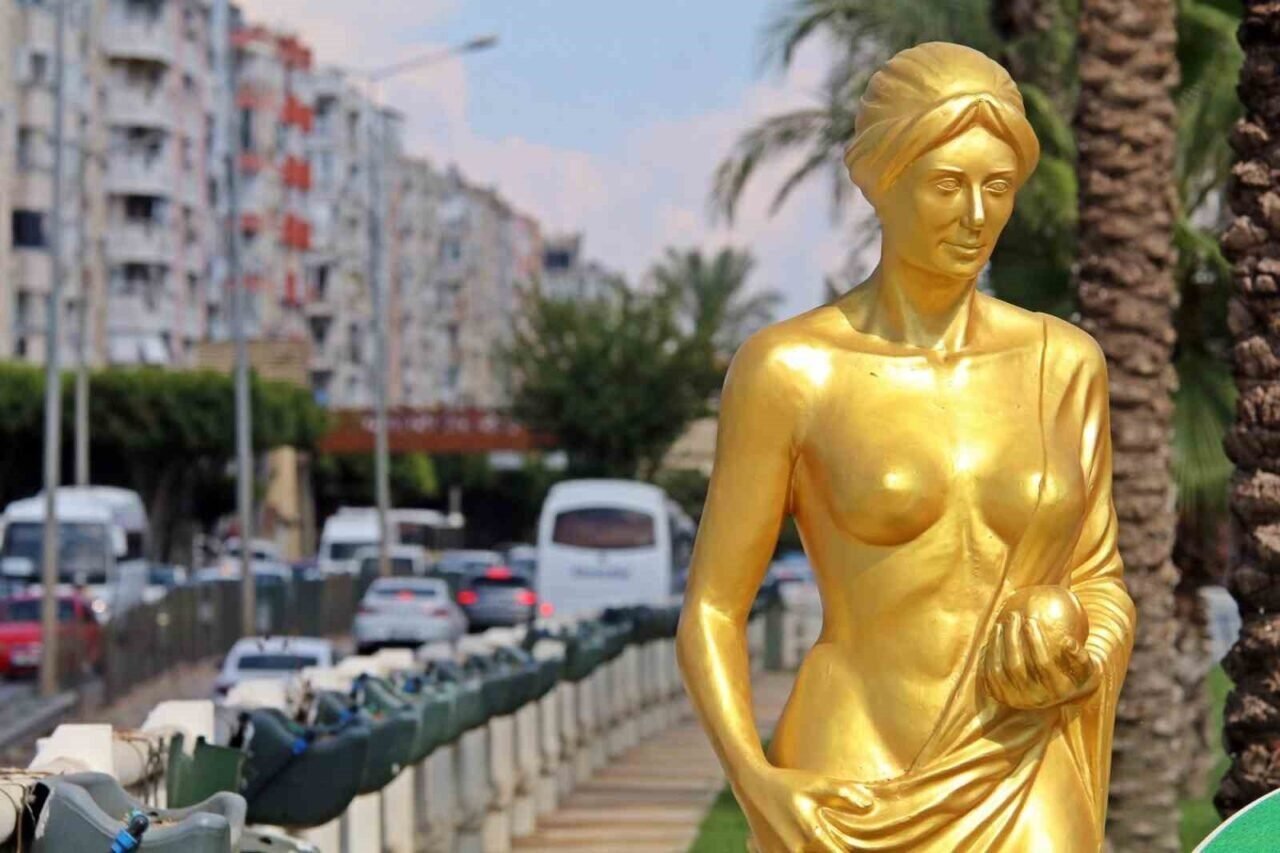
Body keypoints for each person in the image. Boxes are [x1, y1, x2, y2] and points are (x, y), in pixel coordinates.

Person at [677, 41, 1135, 852]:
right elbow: (713, 607)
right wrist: (754, 778)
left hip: (1021, 759)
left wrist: (1077, 646)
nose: (976, 215)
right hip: (852, 762)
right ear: (882, 180)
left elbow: (1100, 579)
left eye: (999, 187)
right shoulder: (791, 369)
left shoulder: (1064, 363)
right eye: (947, 184)